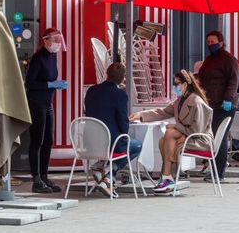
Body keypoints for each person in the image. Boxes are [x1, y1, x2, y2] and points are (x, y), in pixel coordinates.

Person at [129, 69, 213, 194]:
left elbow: (197, 130)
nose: (175, 87)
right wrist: (141, 114)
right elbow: (162, 112)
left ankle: (167, 176)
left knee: (169, 133)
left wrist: (175, 126)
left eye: (177, 84)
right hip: (187, 135)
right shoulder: (179, 101)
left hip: (199, 139)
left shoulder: (197, 102)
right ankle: (168, 178)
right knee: (163, 140)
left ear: (185, 85)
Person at [84, 62, 142, 198]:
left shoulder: (92, 90)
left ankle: (106, 176)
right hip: (110, 142)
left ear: (107, 74)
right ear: (123, 79)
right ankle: (108, 172)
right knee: (136, 145)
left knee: (125, 144)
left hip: (89, 141)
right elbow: (123, 123)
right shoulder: (120, 95)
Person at [25, 27, 68, 194]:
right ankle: (36, 179)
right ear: (45, 40)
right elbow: (30, 83)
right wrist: (50, 85)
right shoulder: (38, 58)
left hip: (47, 102)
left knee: (48, 140)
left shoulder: (52, 57)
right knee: (37, 141)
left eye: (59, 39)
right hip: (36, 102)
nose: (57, 43)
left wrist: (56, 84)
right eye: (55, 39)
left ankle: (44, 175)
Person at [197, 30, 239, 183]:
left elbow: (234, 80)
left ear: (221, 43)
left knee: (219, 137)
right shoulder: (209, 59)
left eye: (212, 42)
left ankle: (219, 171)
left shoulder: (228, 59)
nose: (210, 45)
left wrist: (228, 98)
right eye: (208, 42)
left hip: (224, 105)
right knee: (212, 136)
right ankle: (213, 168)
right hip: (210, 103)